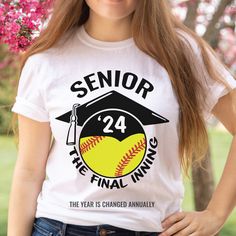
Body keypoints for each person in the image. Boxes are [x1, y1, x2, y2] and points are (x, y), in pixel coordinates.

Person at [7, 0, 236, 235]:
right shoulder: (46, 59)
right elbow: (29, 171)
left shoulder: (182, 52)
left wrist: (216, 214)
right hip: (59, 226)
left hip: (153, 228)